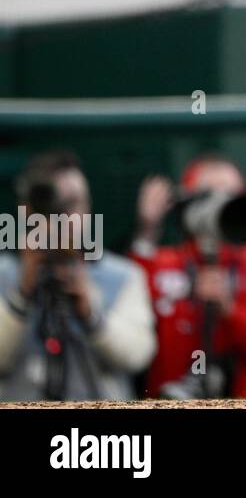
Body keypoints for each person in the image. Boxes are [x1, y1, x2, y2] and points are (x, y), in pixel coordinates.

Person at [131, 154, 246, 398]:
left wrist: (229, 308)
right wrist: (147, 229)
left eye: (230, 196)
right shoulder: (163, 262)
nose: (220, 207)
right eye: (208, 196)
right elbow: (128, 313)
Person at [0, 151, 155, 401]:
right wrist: (22, 293)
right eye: (48, 205)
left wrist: (90, 312)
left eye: (70, 204)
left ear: (87, 209)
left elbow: (137, 355)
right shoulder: (5, 273)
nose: (60, 217)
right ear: (27, 210)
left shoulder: (123, 275)